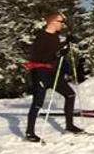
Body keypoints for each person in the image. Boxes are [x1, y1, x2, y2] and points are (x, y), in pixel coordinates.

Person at [24, 12, 83, 141]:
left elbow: (57, 51)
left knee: (70, 94)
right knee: (38, 102)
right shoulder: (41, 37)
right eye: (60, 21)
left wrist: (66, 44)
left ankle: (69, 125)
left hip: (53, 73)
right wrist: (57, 53)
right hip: (40, 73)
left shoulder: (55, 36)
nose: (62, 24)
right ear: (52, 22)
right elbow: (38, 56)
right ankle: (29, 132)